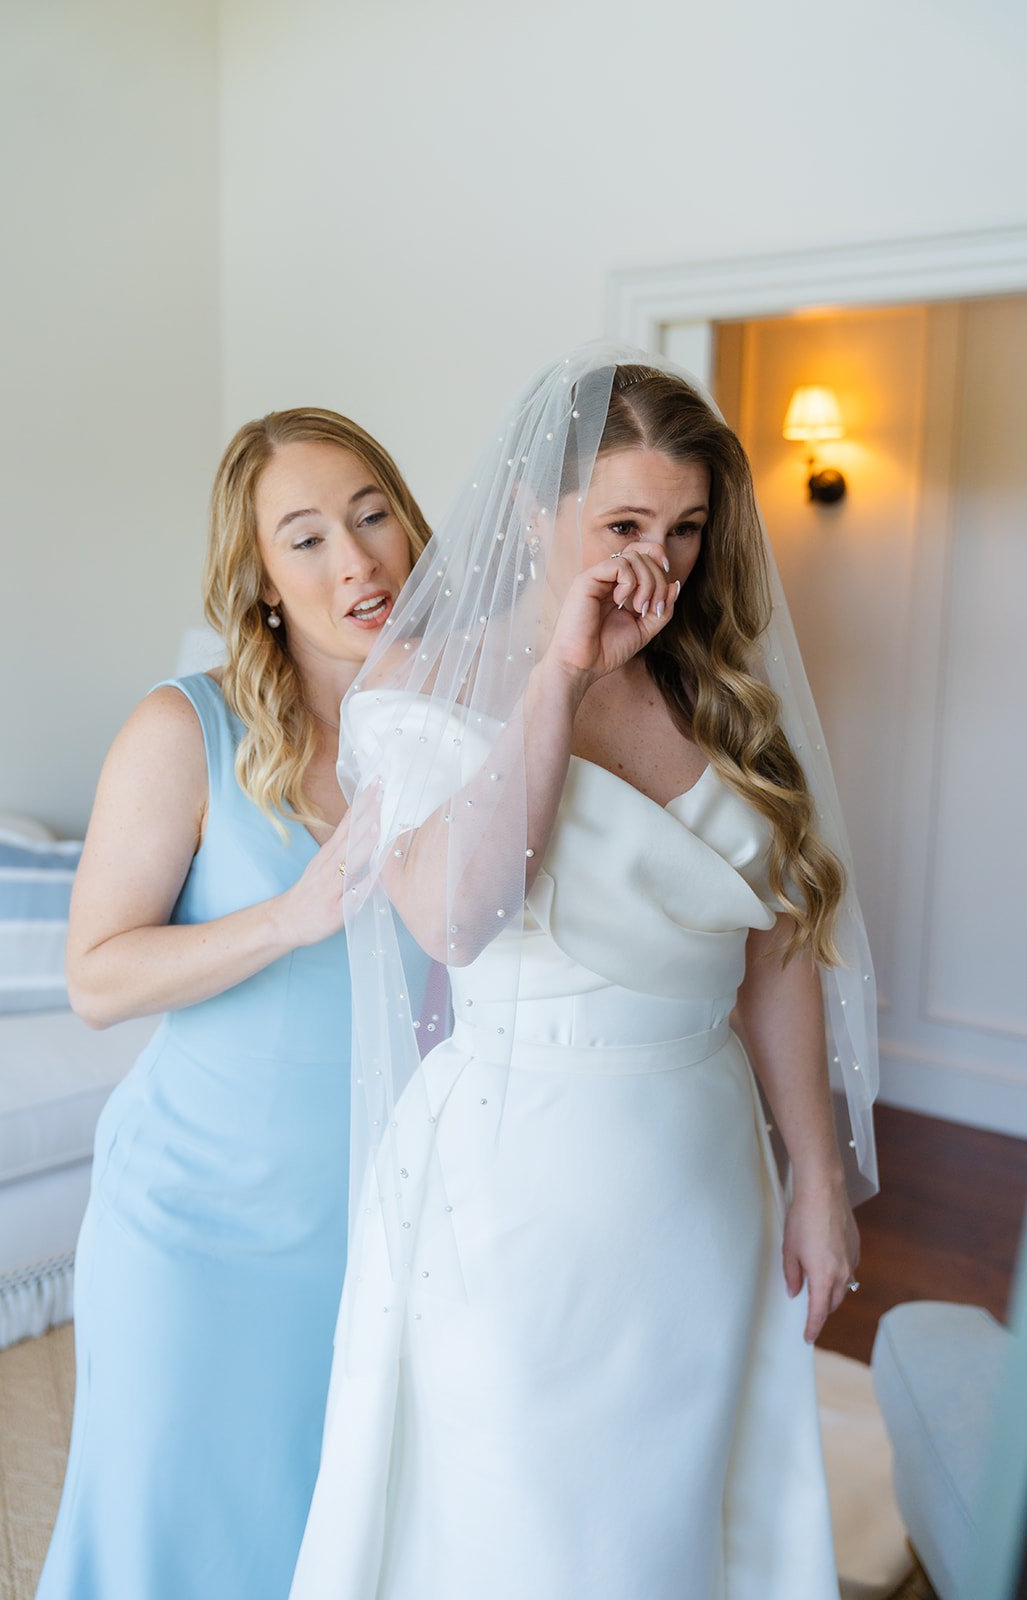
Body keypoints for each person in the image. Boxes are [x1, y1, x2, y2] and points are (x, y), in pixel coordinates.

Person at [289, 347, 879, 1600]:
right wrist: (558, 676)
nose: (650, 563)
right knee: (525, 1523)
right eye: (619, 523)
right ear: (529, 512)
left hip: (701, 1172)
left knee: (676, 1514)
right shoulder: (419, 683)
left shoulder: (717, 692)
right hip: (515, 1183)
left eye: (682, 528)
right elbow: (456, 915)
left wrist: (816, 1177)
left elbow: (771, 948)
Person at [36, 410, 431, 1600]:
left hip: (375, 1224)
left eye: (371, 515)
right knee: (166, 1535)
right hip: (195, 1229)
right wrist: (286, 916)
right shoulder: (184, 728)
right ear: (260, 580)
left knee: (327, 1534)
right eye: (304, 538)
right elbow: (95, 978)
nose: (354, 561)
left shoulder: (452, 727)